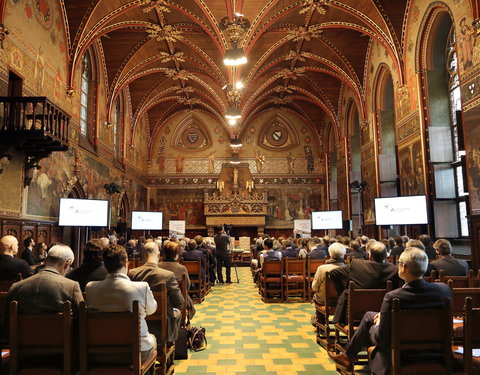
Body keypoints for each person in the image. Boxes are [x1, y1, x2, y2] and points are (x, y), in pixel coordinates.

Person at [328, 248, 452, 374]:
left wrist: (378, 324)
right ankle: (347, 356)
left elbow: (382, 338)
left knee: (369, 325)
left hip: (401, 352)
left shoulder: (393, 297)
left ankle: (348, 356)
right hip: (435, 351)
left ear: (403, 267)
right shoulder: (444, 290)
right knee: (369, 316)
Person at [85, 244, 157, 362]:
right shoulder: (141, 287)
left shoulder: (90, 288)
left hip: (100, 350)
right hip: (135, 350)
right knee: (152, 339)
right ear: (125, 263)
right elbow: (151, 310)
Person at [330, 241, 399, 324]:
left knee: (345, 292)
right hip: (383, 314)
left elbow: (333, 273)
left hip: (354, 313)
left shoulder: (357, 265)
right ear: (386, 256)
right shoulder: (395, 270)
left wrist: (343, 290)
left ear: (370, 256)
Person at [128, 241, 184, 342]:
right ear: (159, 255)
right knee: (177, 313)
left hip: (139, 322)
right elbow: (180, 303)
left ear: (143, 255)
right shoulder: (168, 275)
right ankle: (171, 341)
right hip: (163, 322)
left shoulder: (132, 273)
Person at [5, 244, 83, 315]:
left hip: (21, 330)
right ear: (67, 263)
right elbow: (81, 318)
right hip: (57, 330)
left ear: (46, 260)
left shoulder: (16, 287)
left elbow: (6, 321)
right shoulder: (71, 287)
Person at [158, 241, 196, 320]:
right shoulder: (181, 268)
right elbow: (187, 286)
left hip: (159, 301)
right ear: (176, 254)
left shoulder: (157, 266)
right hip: (177, 301)